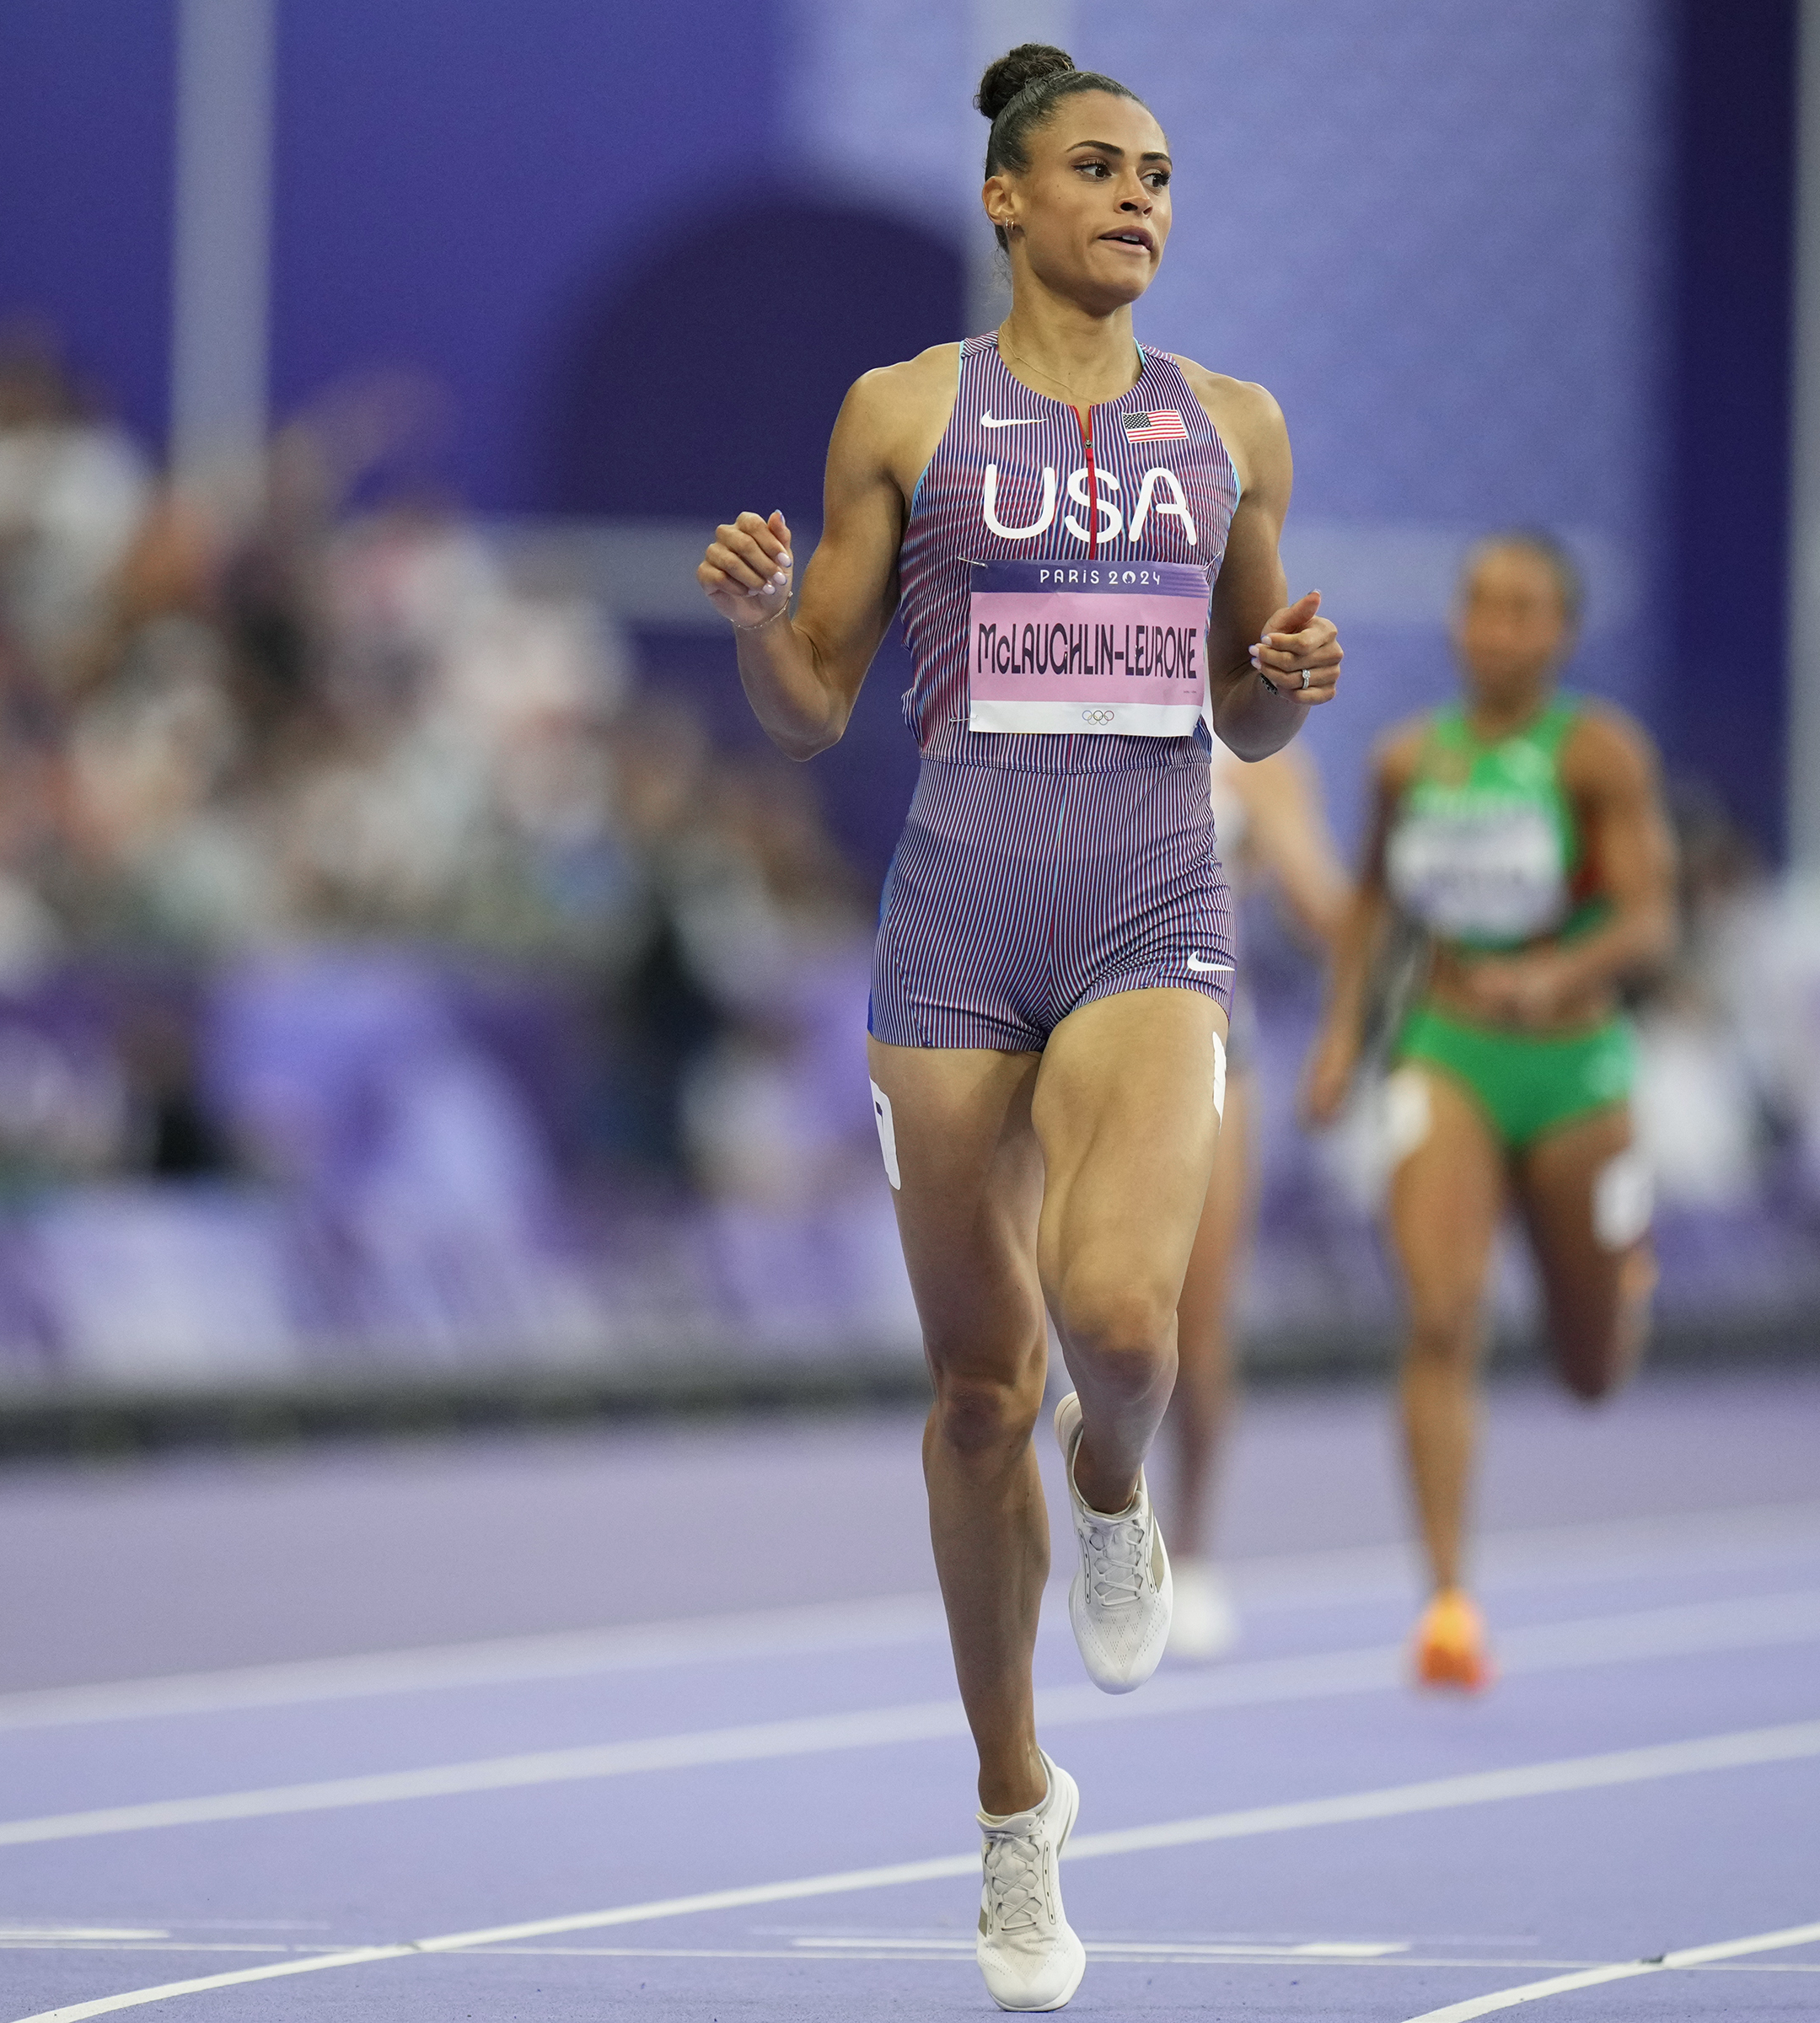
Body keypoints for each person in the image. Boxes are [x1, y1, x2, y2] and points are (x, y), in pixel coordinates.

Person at [697, 43, 1340, 2014]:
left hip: (1152, 913)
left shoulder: (1231, 425)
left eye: (1156, 173)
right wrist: (757, 623)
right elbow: (814, 698)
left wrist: (1291, 685)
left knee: (1124, 1331)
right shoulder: (903, 413)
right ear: (1007, 199)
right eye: (1094, 168)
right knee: (979, 1388)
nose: (1135, 198)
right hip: (957, 936)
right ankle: (1012, 1806)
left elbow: (1240, 707)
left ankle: (1121, 1483)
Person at [1302, 531, 1672, 1692]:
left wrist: (1559, 976)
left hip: (1571, 1071)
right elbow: (1372, 914)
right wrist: (1341, 1039)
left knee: (1590, 1371)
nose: (1497, 627)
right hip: (1446, 1047)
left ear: (1560, 631)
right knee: (1441, 1314)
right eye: (1479, 604)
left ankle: (1622, 1285)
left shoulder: (1597, 756)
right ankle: (1447, 1600)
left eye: (1523, 609)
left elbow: (1647, 922)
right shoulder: (1411, 761)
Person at [1165, 743, 1349, 1659]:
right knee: (1049, 1330)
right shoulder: (1059, 674)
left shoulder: (1254, 749)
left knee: (1196, 1333)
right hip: (1049, 1037)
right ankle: (1062, 1539)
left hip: (1207, 1046)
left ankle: (1189, 1554)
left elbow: (1325, 908)